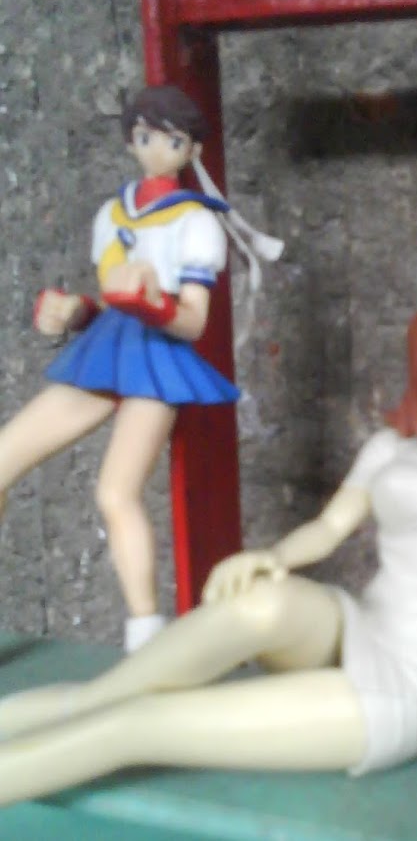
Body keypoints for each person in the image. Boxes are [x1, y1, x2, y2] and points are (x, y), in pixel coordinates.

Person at [0, 274, 417, 804]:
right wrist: (270, 556)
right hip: (351, 626)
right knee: (242, 613)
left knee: (137, 724)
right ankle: (81, 702)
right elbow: (330, 528)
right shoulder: (392, 448)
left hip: (407, 678)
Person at [0, 85, 280, 652]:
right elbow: (107, 302)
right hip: (105, 352)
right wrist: (74, 311)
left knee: (115, 492)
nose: (155, 150)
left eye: (171, 141)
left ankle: (145, 633)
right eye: (145, 136)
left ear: (191, 150)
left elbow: (193, 322)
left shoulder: (196, 223)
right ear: (131, 140)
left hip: (158, 362)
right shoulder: (112, 214)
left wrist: (153, 302)